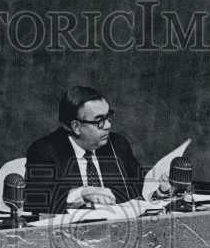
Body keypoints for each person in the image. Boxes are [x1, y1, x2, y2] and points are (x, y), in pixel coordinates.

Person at [24, 86, 146, 215]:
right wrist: (82, 194)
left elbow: (136, 187)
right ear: (76, 126)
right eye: (99, 120)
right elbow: (37, 200)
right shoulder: (44, 150)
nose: (108, 125)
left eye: (108, 117)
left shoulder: (117, 144)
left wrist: (158, 192)